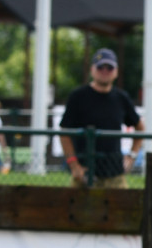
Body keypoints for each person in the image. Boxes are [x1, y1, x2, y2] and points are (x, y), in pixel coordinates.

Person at [59, 48, 144, 188]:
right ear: (92, 70)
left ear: (116, 72)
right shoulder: (78, 96)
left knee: (124, 208)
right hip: (85, 173)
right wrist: (74, 165)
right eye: (100, 67)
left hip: (114, 173)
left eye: (109, 67)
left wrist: (132, 156)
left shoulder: (121, 98)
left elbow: (140, 128)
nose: (105, 71)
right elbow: (64, 132)